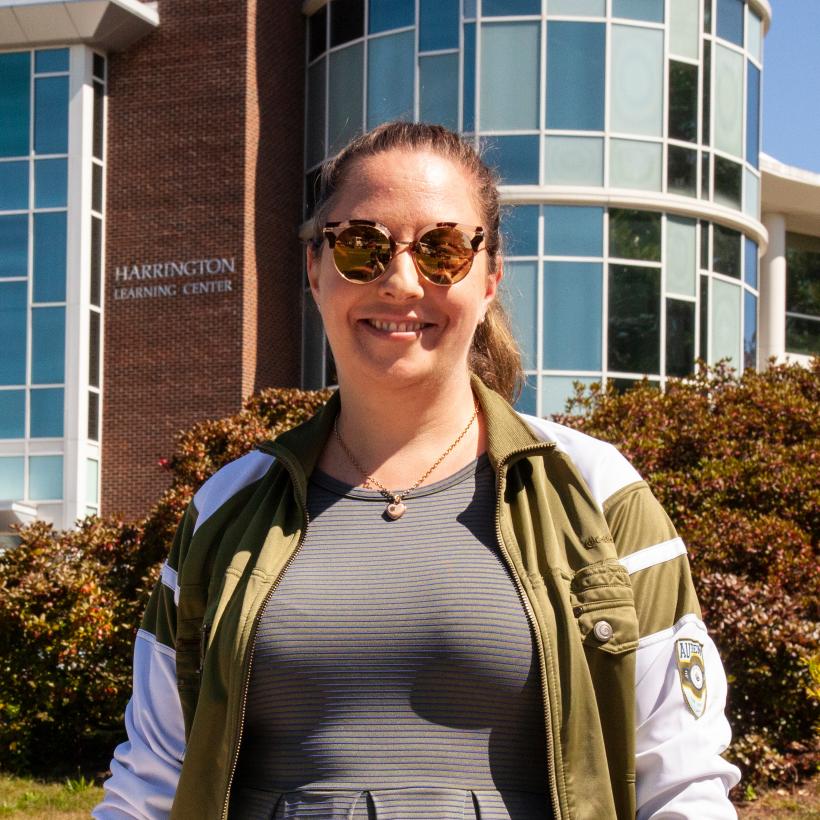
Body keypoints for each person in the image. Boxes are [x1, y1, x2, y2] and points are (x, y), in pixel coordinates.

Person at [94, 122, 740, 820]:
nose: (401, 281)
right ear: (315, 269)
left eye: (442, 250)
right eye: (362, 246)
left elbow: (680, 784)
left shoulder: (598, 496)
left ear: (490, 279)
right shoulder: (227, 509)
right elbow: (151, 785)